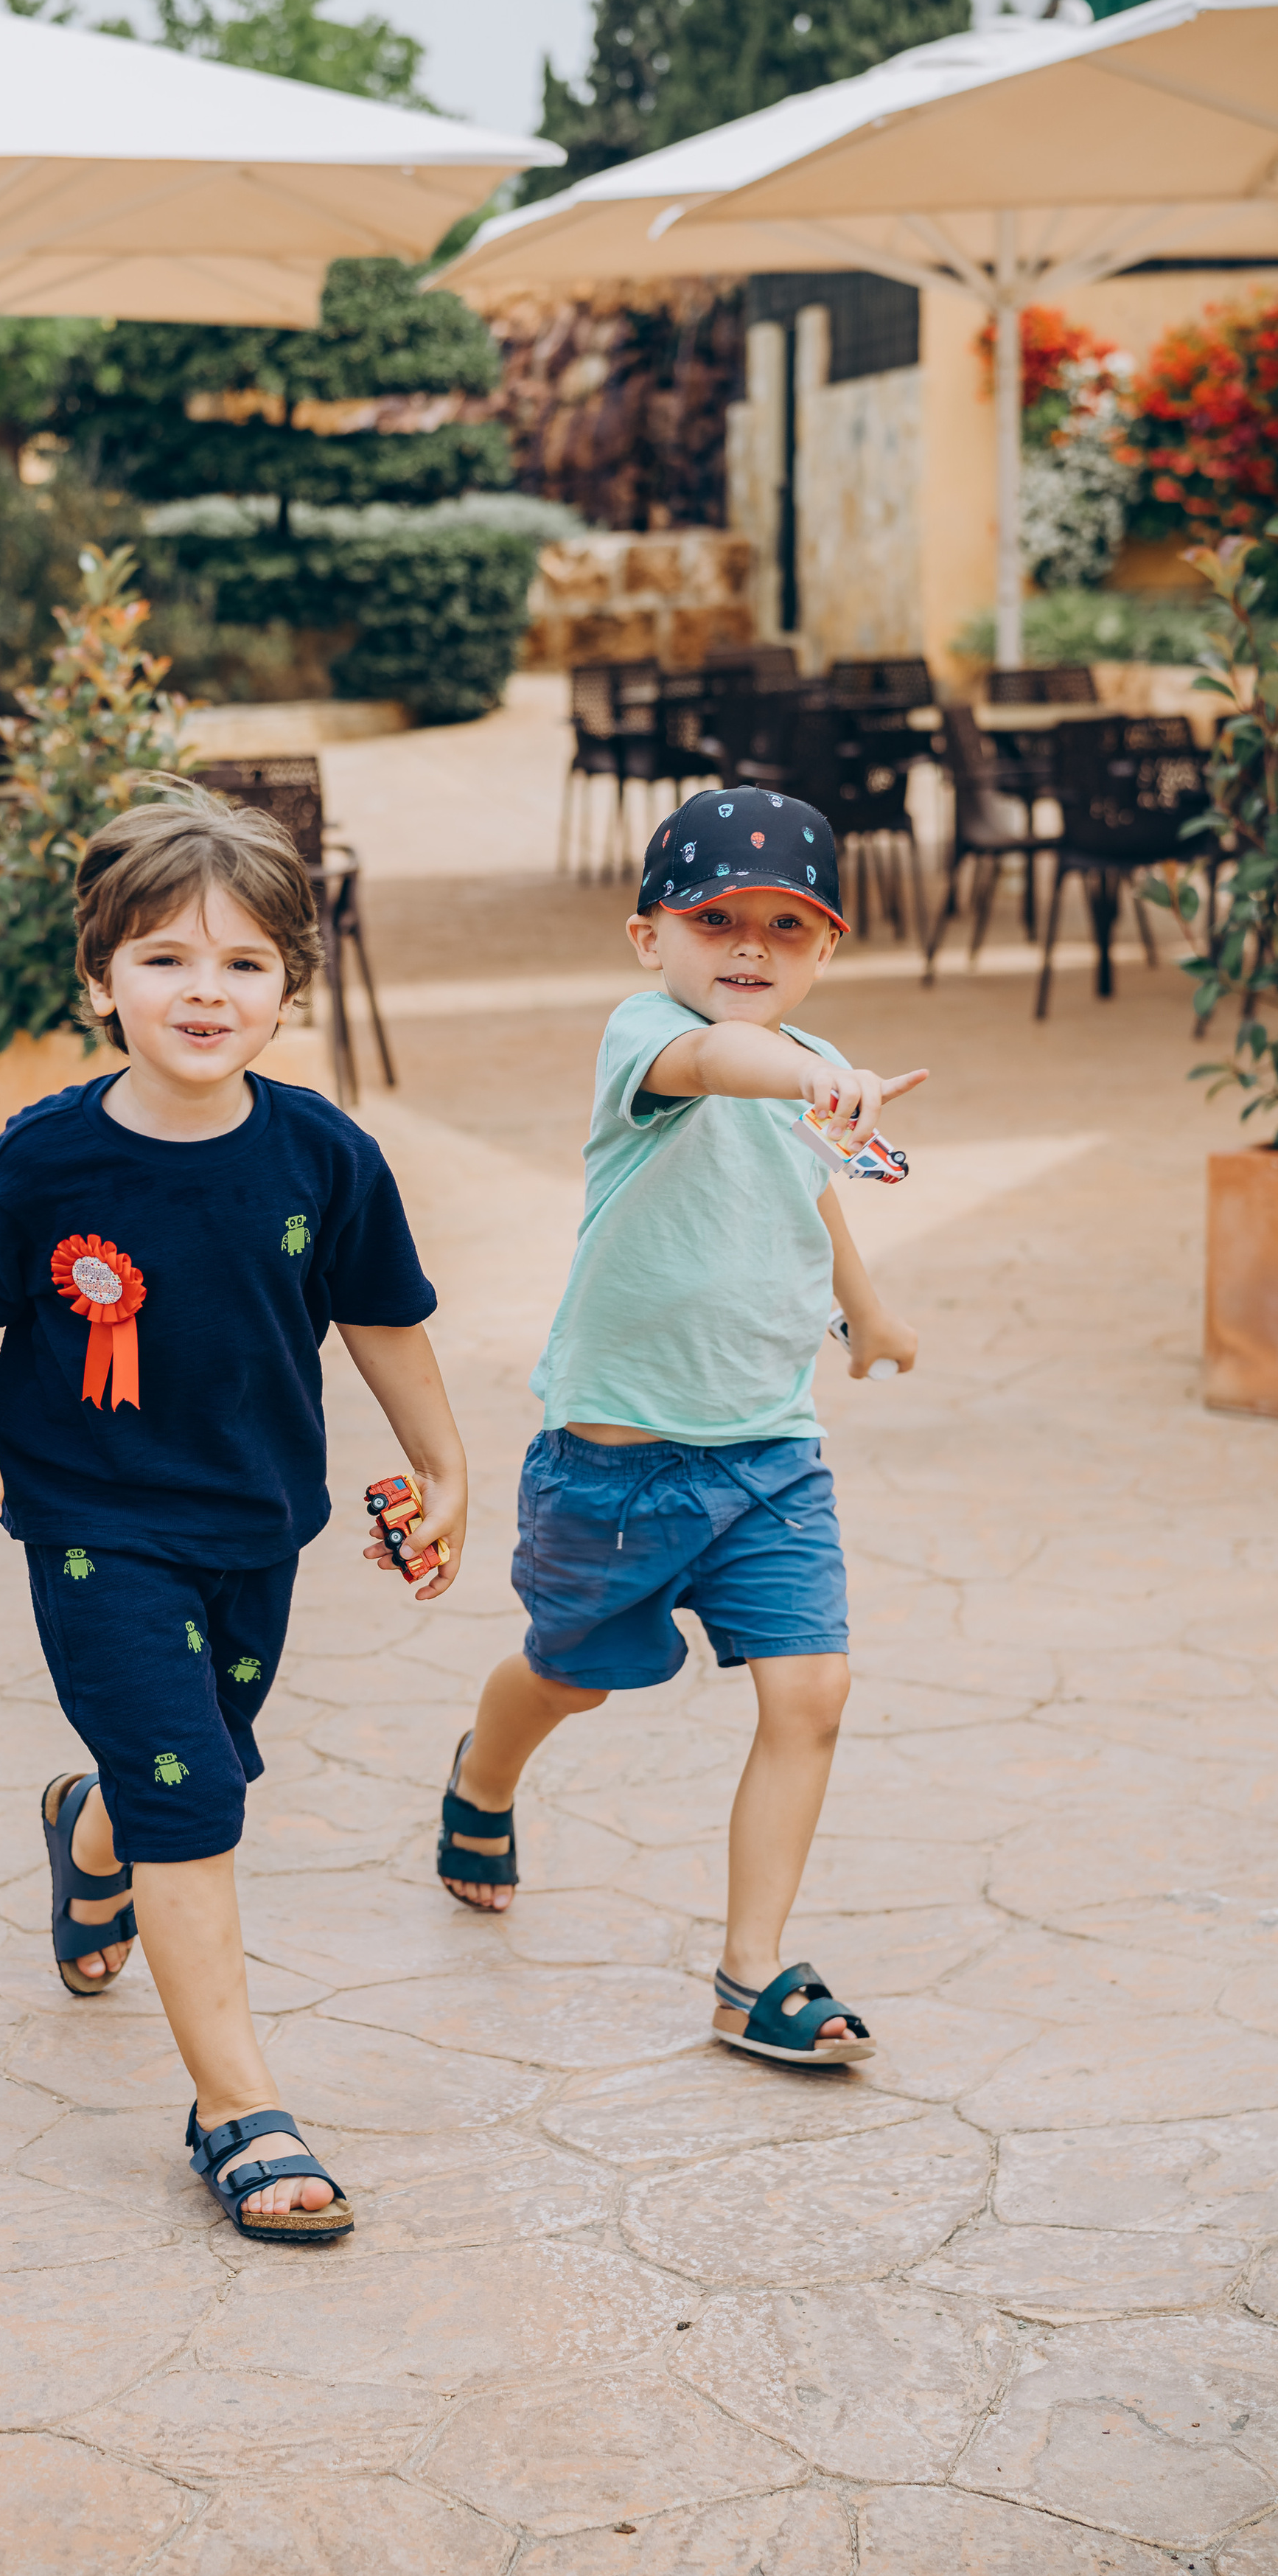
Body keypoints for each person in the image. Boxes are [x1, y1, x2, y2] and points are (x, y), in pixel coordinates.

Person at [0, 781, 467, 2240]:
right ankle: (236, 2109)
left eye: (242, 961)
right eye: (165, 957)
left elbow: (383, 1316)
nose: (205, 990)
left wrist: (444, 1466)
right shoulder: (44, 1154)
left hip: (256, 1526)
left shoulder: (324, 1155)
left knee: (191, 1767)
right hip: (92, 1530)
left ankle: (89, 1830)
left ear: (290, 986)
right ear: (101, 981)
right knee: (198, 1803)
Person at [436, 785, 923, 2067]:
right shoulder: (649, 1037)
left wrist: (866, 1311)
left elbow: (807, 1190)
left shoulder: (812, 1072)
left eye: (786, 926)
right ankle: (484, 1776)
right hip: (617, 1465)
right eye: (716, 920)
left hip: (771, 1453)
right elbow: (722, 1070)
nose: (750, 948)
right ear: (648, 935)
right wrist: (818, 1075)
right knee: (570, 1678)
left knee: (813, 1692)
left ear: (827, 949)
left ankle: (750, 1974)